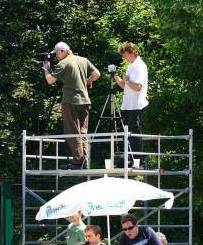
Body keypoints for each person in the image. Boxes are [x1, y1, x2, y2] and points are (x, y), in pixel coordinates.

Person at [43, 41, 100, 169]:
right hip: (85, 101)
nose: (56, 57)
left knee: (72, 132)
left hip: (70, 102)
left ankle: (77, 162)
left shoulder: (63, 63)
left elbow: (50, 80)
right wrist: (86, 82)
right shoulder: (83, 60)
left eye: (57, 53)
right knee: (83, 132)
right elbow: (97, 74)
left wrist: (46, 69)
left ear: (63, 51)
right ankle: (85, 161)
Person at [114, 42, 148, 166]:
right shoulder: (131, 65)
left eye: (125, 55)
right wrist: (115, 76)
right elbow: (124, 85)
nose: (124, 57)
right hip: (128, 105)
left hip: (136, 105)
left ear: (131, 52)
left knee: (134, 133)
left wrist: (127, 81)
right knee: (126, 133)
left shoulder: (140, 65)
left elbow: (138, 87)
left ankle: (138, 161)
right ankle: (128, 159)